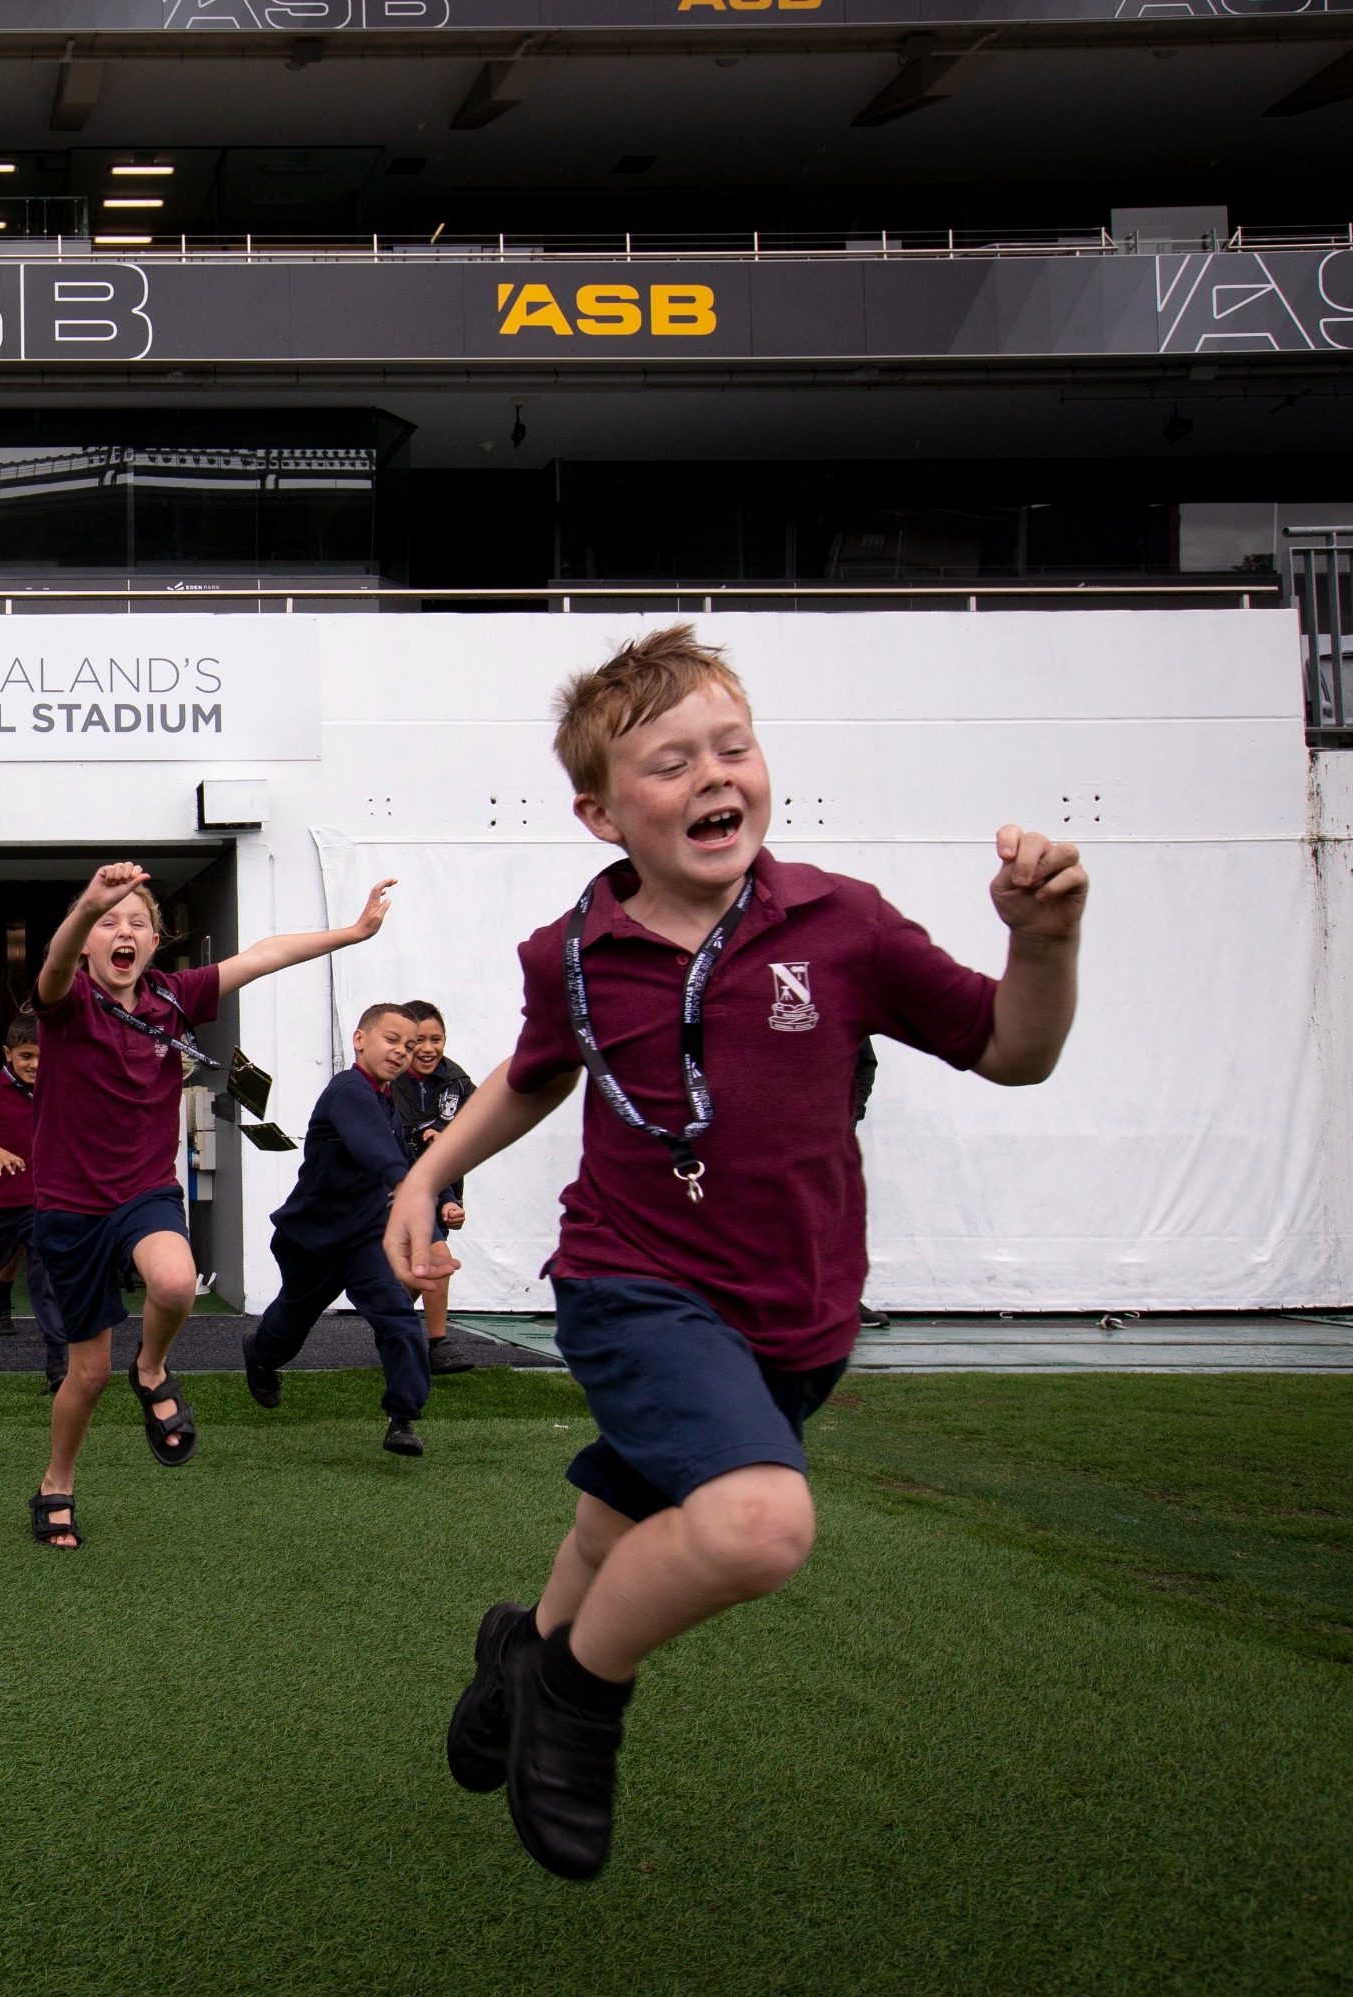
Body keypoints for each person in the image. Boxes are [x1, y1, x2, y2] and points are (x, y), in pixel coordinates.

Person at [390, 623, 1086, 1880]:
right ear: (601, 811)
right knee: (758, 1522)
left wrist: (1045, 940)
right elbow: (541, 1075)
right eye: (671, 762)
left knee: (622, 1523)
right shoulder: (570, 952)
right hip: (632, 1281)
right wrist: (434, 1166)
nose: (716, 775)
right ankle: (573, 1693)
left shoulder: (844, 923)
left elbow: (1013, 1048)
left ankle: (517, 1649)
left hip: (800, 1313)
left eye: (734, 745)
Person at [27, 861, 395, 1550]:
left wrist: (353, 931)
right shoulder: (66, 1000)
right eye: (107, 921)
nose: (121, 930)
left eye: (136, 921)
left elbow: (263, 955)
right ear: (85, 940)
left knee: (174, 1281)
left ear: (156, 941)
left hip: (143, 1192)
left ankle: (154, 1368)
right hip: (70, 1208)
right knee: (86, 1373)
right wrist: (87, 904)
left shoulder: (174, 995)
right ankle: (56, 1483)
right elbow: (51, 963)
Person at [243, 1003, 439, 1454]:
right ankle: (259, 1355)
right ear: (360, 1039)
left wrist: (440, 1201)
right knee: (291, 1322)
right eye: (392, 1040)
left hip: (365, 1239)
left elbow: (405, 1159)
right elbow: (377, 1150)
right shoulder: (349, 1090)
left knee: (397, 1316)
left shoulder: (389, 1098)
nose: (402, 1053)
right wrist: (406, 1183)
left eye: (410, 1046)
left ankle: (403, 1417)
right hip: (311, 1239)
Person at [0, 1015, 67, 1388]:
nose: (35, 1064)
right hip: (1, 1203)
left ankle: (57, 1361)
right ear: (8, 1054)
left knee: (44, 1280)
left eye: (41, 1055)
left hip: (45, 1202)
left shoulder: (59, 1086)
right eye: (25, 1056)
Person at [391, 1002, 481, 1374]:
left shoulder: (458, 1083)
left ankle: (401, 1331)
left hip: (436, 1190)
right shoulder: (386, 1080)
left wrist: (449, 1198)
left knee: (426, 1266)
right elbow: (393, 1145)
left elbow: (478, 1131)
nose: (428, 1049)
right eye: (419, 1041)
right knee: (434, 1260)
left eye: (436, 1039)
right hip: (393, 1191)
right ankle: (435, 1343)